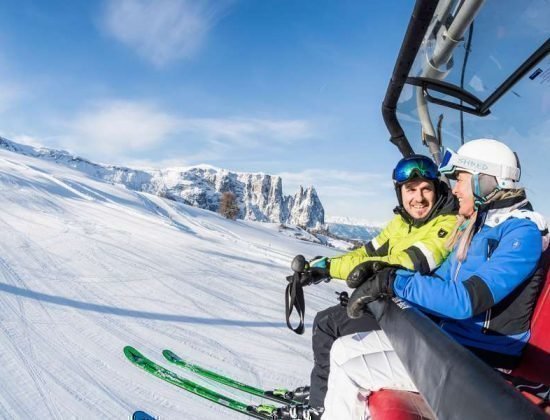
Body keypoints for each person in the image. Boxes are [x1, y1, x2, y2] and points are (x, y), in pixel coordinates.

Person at [322, 139, 549, 419]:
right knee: (343, 347)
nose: (454, 189)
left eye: (460, 179)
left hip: (479, 360)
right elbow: (439, 280)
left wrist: (392, 280)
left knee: (351, 372)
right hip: (447, 341)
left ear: (485, 181)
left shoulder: (521, 234)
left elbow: (466, 300)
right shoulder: (477, 227)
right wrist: (382, 274)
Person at [283, 155, 458, 420]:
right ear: (400, 193)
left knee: (329, 324)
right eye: (411, 190)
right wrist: (325, 267)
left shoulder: (448, 223)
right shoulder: (402, 224)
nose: (418, 198)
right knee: (327, 321)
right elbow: (365, 254)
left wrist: (376, 268)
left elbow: (417, 258)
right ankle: (328, 393)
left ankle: (320, 409)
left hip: (416, 317)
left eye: (425, 189)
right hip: (391, 306)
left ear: (437, 189)